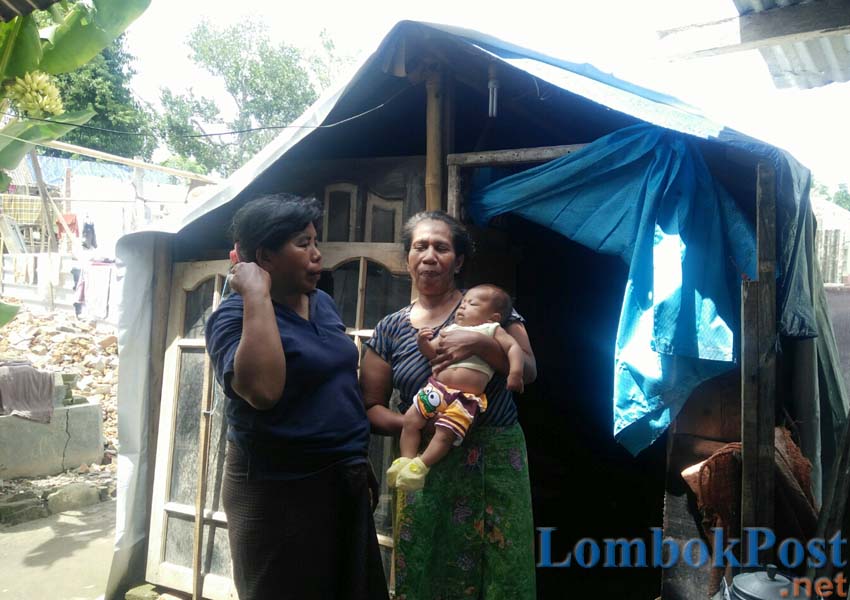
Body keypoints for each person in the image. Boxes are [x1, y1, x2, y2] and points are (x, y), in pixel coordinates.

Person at [205, 194, 389, 600]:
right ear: (264, 257)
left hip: (342, 481)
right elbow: (264, 391)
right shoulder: (232, 317)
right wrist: (255, 294)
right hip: (279, 493)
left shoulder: (321, 302)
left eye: (315, 242)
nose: (317, 255)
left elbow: (334, 383)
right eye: (302, 244)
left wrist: (355, 457)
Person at [360, 211, 538, 599]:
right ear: (407, 257)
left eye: (441, 247)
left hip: (493, 462)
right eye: (420, 246)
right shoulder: (391, 328)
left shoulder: (488, 310)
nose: (429, 255)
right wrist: (417, 426)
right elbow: (370, 405)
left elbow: (529, 369)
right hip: (427, 465)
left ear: (458, 261)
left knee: (501, 567)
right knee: (428, 564)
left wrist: (478, 343)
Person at [387, 284, 525, 491]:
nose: (462, 307)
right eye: (463, 303)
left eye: (472, 304)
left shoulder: (491, 330)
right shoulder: (449, 329)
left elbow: (514, 348)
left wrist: (515, 373)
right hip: (436, 389)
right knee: (410, 420)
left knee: (445, 433)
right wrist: (422, 342)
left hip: (465, 398)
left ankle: (421, 465)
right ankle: (405, 461)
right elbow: (431, 353)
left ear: (492, 317)